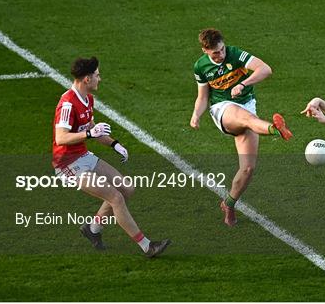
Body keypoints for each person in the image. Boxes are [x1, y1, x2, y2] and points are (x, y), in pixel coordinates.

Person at [52, 56, 171, 257]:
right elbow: (61, 137)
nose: (100, 79)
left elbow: (92, 129)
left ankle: (93, 229)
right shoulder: (68, 104)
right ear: (87, 79)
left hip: (82, 155)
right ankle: (147, 246)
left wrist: (115, 144)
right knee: (115, 198)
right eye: (97, 75)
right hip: (67, 164)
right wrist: (90, 134)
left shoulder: (88, 99)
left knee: (127, 189)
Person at [190, 28, 293, 226]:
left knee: (247, 169)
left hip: (247, 106)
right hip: (223, 109)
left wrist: (243, 84)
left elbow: (265, 69)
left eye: (221, 50)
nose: (220, 55)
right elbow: (202, 97)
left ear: (223, 44)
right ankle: (275, 129)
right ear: (205, 51)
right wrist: (196, 114)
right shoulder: (200, 67)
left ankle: (228, 203)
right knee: (247, 120)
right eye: (214, 53)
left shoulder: (236, 54)